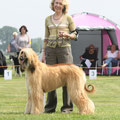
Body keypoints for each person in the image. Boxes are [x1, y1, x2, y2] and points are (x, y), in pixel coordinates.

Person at [42, 0, 77, 113]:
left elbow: (76, 35)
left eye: (60, 3)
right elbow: (46, 38)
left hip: (64, 50)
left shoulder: (68, 18)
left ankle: (67, 108)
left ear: (64, 6)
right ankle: (50, 107)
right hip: (50, 51)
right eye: (56, 3)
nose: (57, 5)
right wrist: (43, 53)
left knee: (67, 79)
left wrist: (67, 35)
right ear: (53, 5)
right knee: (49, 79)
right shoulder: (47, 19)